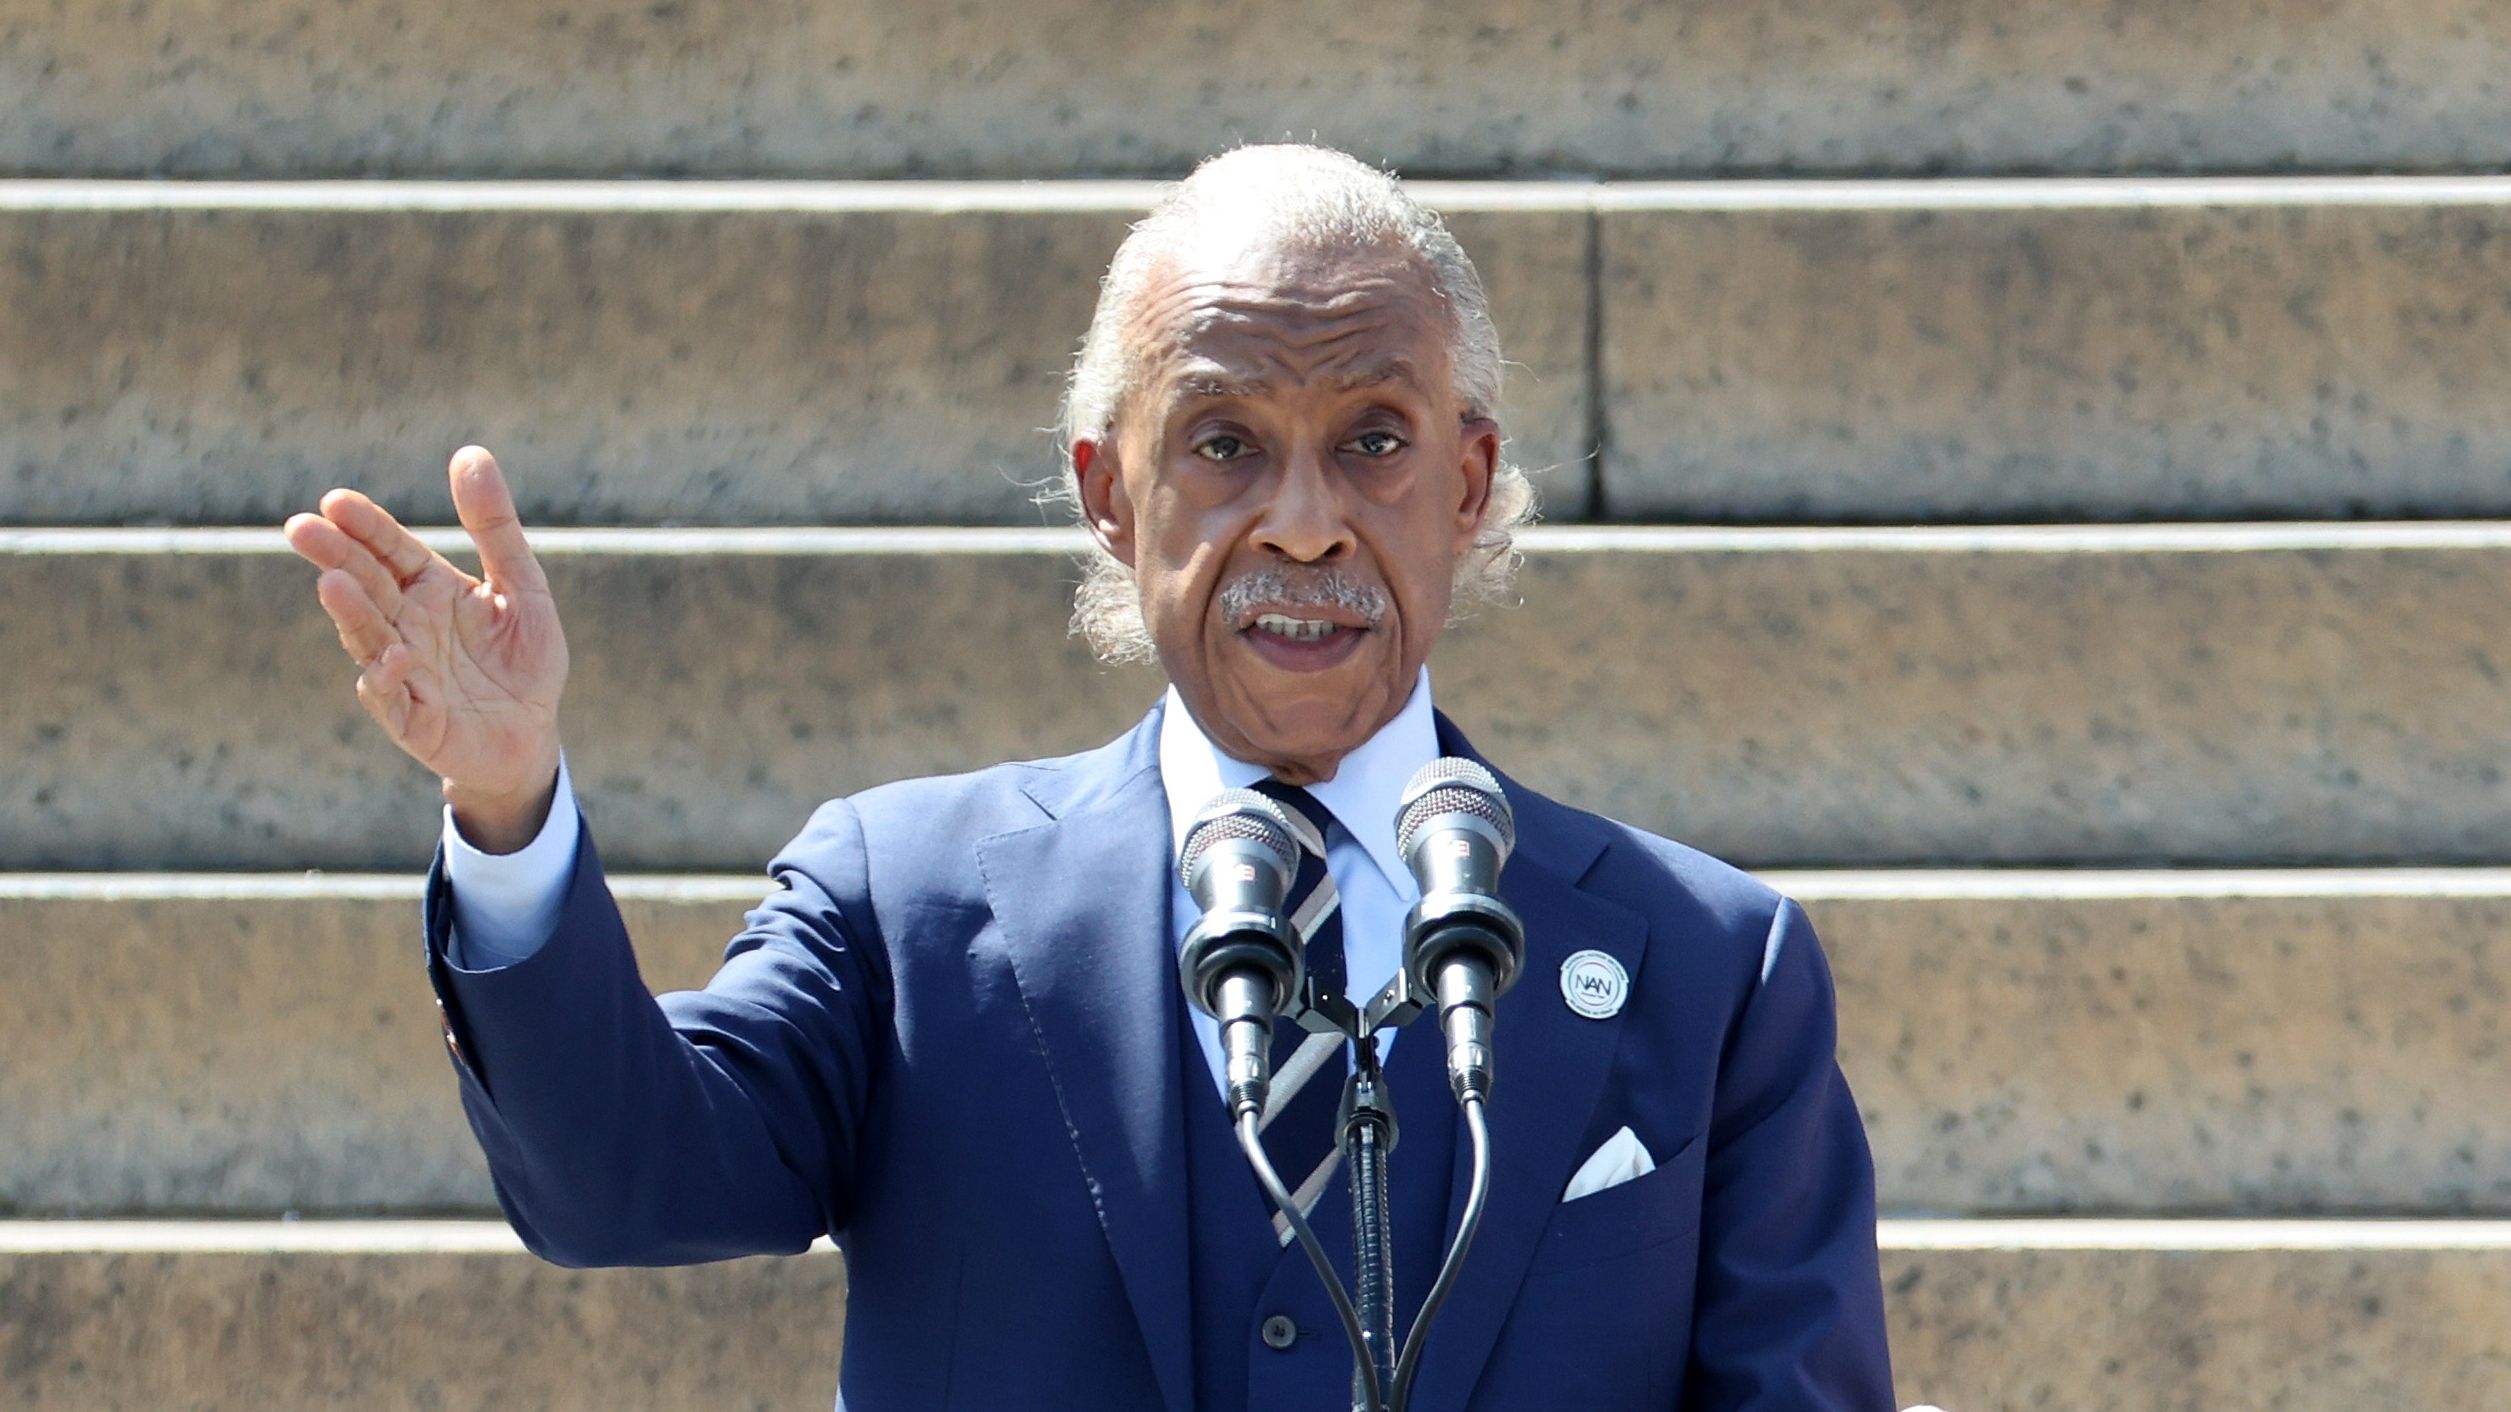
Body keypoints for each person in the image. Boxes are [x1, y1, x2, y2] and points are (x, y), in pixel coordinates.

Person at [283, 144, 1895, 1411]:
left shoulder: (1710, 966)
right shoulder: (909, 902)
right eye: (1222, 442)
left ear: (1469, 484)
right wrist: (508, 813)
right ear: (1107, 496)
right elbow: (620, 1184)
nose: (1307, 522)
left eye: (1376, 440)